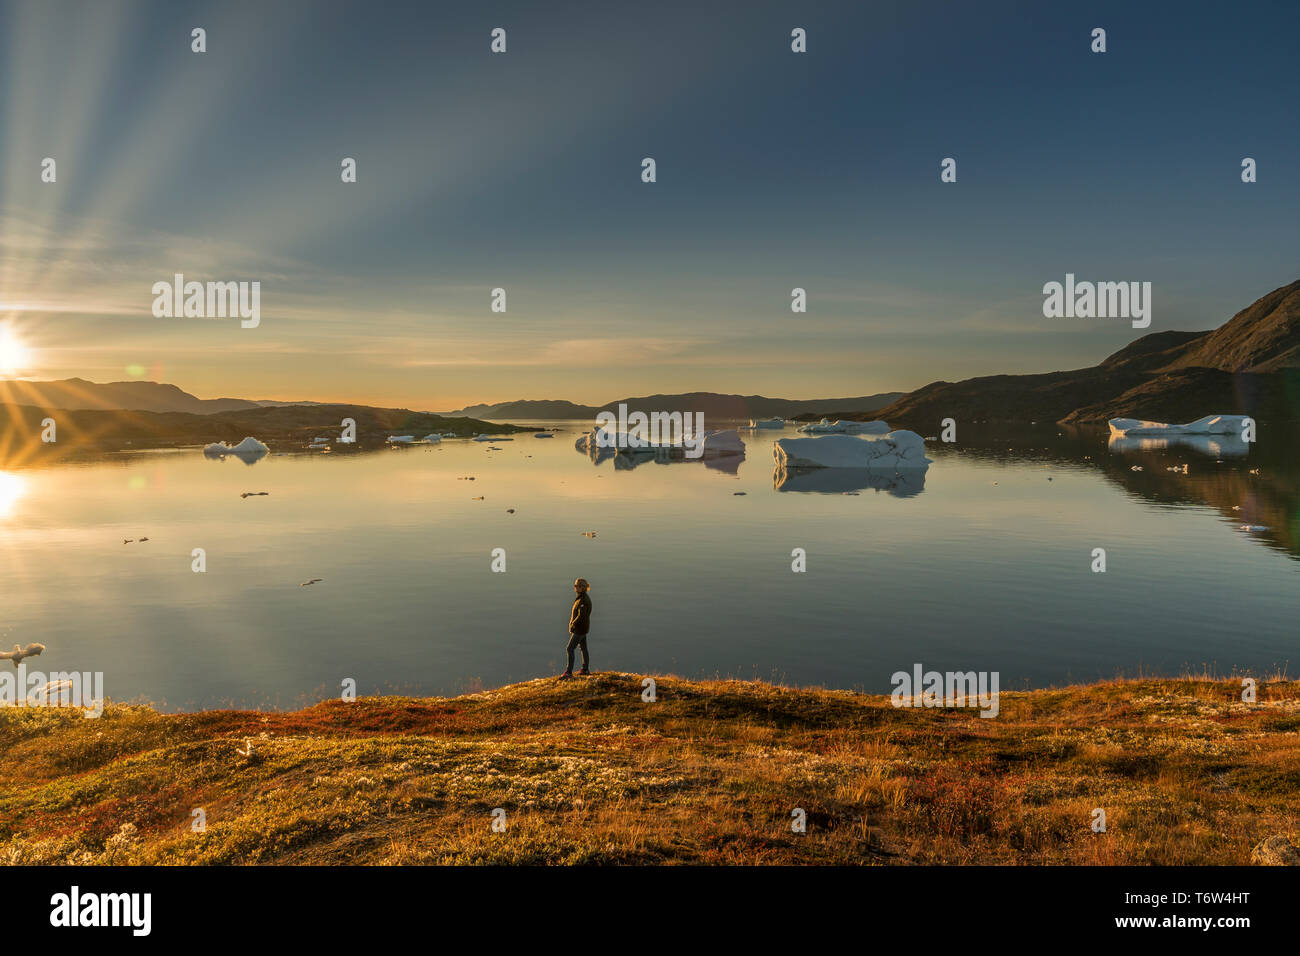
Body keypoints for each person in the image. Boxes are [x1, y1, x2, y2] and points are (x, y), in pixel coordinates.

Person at [560, 578, 592, 678]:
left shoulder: (583, 600)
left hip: (579, 629)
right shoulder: (582, 597)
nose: (574, 587)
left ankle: (569, 672)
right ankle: (585, 669)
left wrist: (573, 624)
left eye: (576, 586)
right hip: (583, 628)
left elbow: (581, 616)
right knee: (583, 648)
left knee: (569, 648)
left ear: (582, 588)